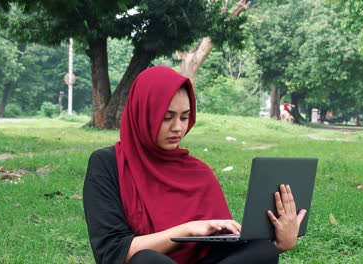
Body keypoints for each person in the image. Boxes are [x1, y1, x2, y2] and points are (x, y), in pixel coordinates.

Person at [83, 66, 307, 264]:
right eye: (167, 117)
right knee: (147, 259)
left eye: (184, 117)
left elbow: (224, 248)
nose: (178, 128)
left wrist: (278, 244)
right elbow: (111, 253)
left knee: (262, 250)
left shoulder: (198, 172)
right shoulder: (108, 164)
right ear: (143, 114)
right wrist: (187, 230)